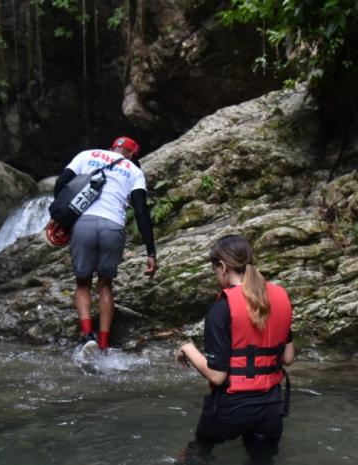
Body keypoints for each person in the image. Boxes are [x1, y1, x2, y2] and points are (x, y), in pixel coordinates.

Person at [176, 234, 294, 464]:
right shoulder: (280, 296)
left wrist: (189, 348)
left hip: (231, 410)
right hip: (271, 408)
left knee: (194, 455)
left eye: (214, 270)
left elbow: (217, 376)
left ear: (222, 267)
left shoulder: (221, 309)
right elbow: (288, 358)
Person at [51, 136, 158, 351]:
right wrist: (150, 251)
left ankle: (87, 335)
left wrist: (61, 217)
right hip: (113, 227)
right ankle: (103, 343)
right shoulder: (134, 171)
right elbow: (140, 211)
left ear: (112, 148)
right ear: (132, 155)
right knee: (105, 284)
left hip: (83, 224)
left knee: (83, 283)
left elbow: (61, 183)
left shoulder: (86, 155)